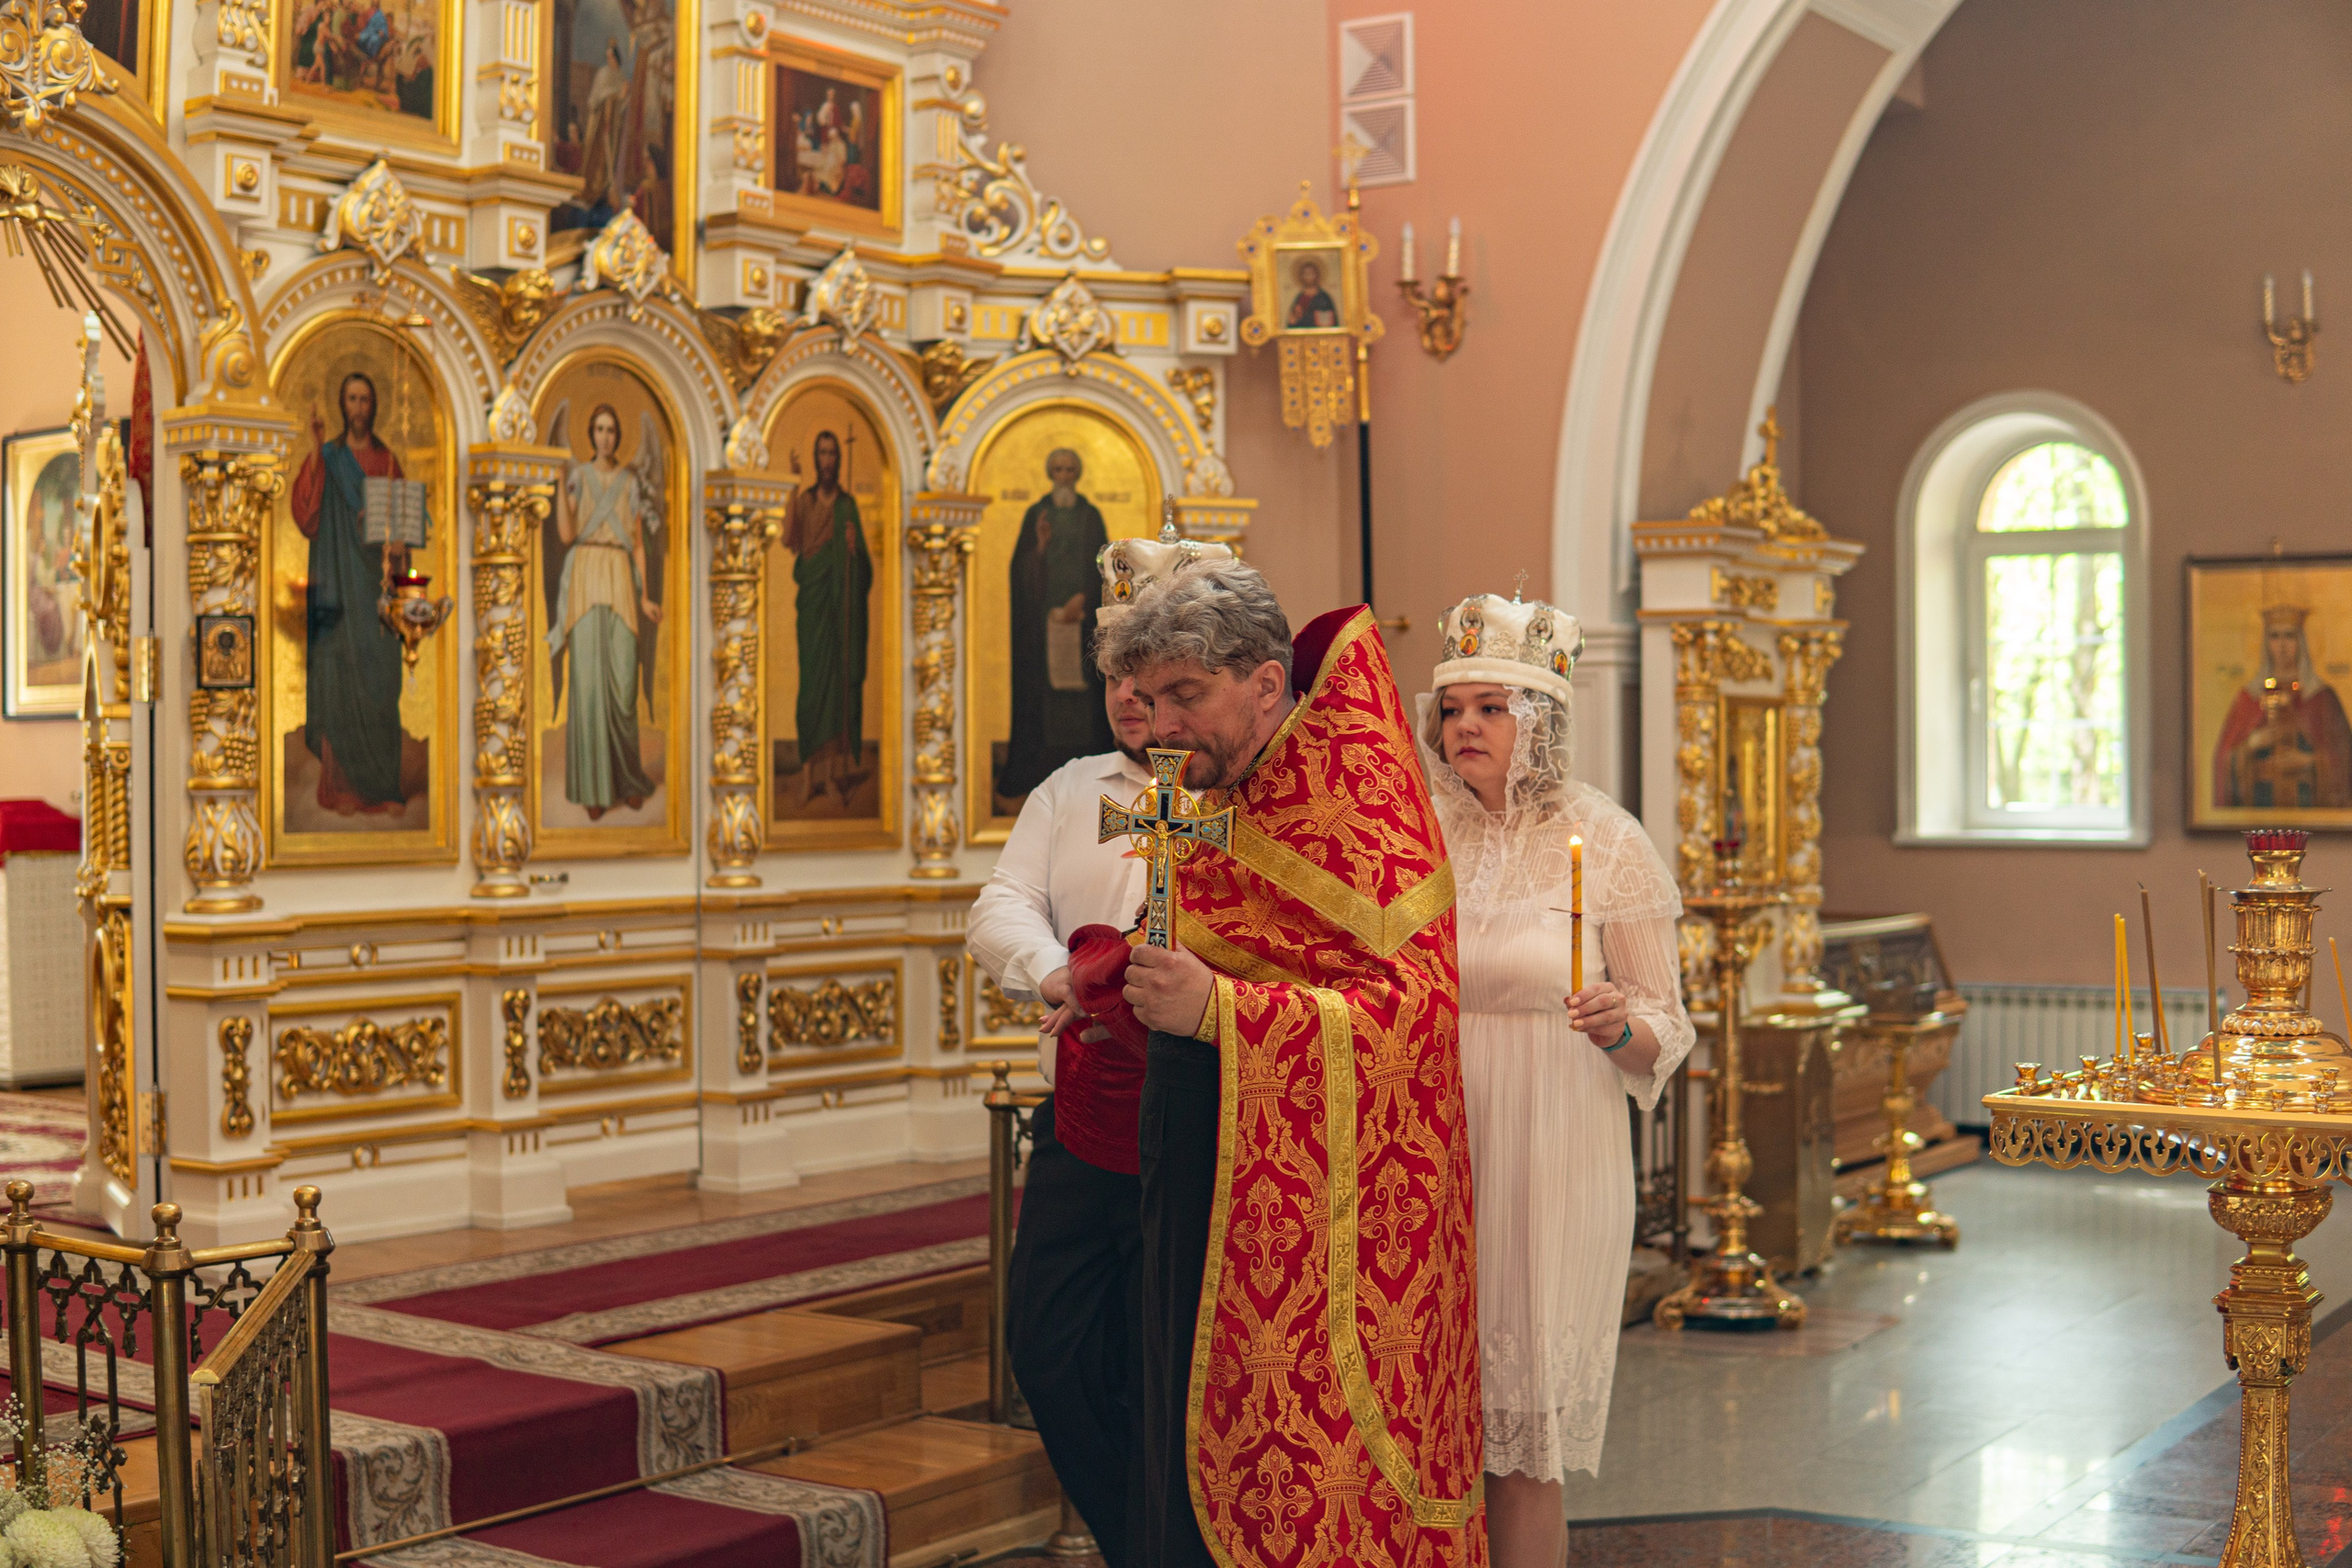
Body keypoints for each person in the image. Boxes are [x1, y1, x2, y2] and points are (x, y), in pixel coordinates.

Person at [1093, 560, 1485, 1568]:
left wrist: (1221, 1008)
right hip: (1192, 1143)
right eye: (1150, 698)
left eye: (1187, 696)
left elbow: (1415, 1013)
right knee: (1175, 1385)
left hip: (1321, 1211)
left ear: (1265, 684)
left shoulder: (1358, 798)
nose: (1161, 724)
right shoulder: (1212, 785)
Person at [1419, 592, 1693, 1568]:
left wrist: (1618, 1023)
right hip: (1438, 1143)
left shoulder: (1607, 838)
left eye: (1492, 707)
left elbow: (1668, 1025)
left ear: (1541, 719)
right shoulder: (1421, 837)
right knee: (1437, 1425)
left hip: (1554, 1147)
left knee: (1522, 1442)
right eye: (1453, 709)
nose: (1466, 729)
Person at [968, 661, 1159, 1568]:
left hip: (1194, 1121)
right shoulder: (1071, 789)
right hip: (1078, 1115)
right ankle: (1138, 1545)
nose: (1128, 693)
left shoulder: (1239, 790)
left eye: (1150, 674)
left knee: (1161, 1362)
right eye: (1115, 674)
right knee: (1047, 1347)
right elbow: (1000, 905)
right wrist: (1059, 975)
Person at [290, 370, 413, 816]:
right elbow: (305, 514)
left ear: (374, 406)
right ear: (342, 406)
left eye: (365, 399)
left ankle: (380, 785)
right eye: (351, 399)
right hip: (337, 586)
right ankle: (339, 788)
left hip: (374, 589)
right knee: (340, 673)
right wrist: (315, 448)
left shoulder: (387, 462)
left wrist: (400, 545)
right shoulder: (329, 456)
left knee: (379, 674)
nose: (358, 408)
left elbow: (404, 532)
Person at [548, 403, 661, 818]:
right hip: (585, 576)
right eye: (598, 429)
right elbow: (565, 533)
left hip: (618, 575)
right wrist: (561, 483)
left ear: (618, 435)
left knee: (622, 685)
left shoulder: (630, 482)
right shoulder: (578, 477)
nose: (605, 437)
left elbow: (637, 544)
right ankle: (594, 789)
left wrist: (646, 596)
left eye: (611, 430)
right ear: (590, 434)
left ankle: (627, 778)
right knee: (589, 686)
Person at [1000, 447, 1113, 802]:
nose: (1063, 476)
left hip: (1082, 626)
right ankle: (1042, 770)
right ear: (1050, 474)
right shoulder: (1037, 514)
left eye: (1069, 470)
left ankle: (1085, 775)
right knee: (1045, 693)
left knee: (1080, 697)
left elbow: (1108, 571)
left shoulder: (1091, 516)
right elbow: (1019, 572)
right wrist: (1040, 548)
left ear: (1077, 475)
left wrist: (1087, 598)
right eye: (1058, 470)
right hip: (1043, 627)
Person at [781, 430, 873, 807]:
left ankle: (834, 776)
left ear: (837, 459)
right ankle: (808, 777)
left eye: (833, 453)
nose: (828, 460)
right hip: (815, 607)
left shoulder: (848, 507)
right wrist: (790, 486)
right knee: (811, 694)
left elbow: (864, 568)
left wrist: (852, 551)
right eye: (822, 453)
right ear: (816, 459)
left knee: (837, 695)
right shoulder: (804, 502)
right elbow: (789, 540)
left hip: (840, 611)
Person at [2216, 604, 2352, 809]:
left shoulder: (2322, 698)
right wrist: (2251, 744)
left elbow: (2344, 757)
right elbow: (2222, 760)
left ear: (2301, 642)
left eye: (2289, 636)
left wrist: (2309, 762)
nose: (2281, 645)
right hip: (2260, 809)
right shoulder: (2249, 698)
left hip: (2310, 808)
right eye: (2274, 636)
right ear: (2265, 643)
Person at [1285, 258, 1339, 330]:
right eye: (1306, 274)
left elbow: (1330, 320)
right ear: (1301, 276)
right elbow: (1292, 323)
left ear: (1316, 275)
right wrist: (1294, 318)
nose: (1308, 277)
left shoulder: (1324, 297)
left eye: (1311, 273)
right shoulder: (1300, 297)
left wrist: (1306, 317)